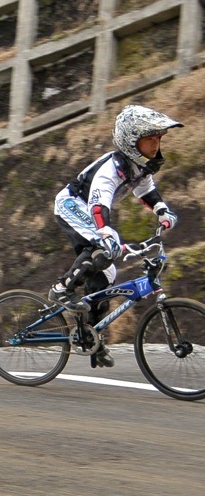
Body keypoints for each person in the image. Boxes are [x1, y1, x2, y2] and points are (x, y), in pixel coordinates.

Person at [47, 105, 182, 368]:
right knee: (101, 249)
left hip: (90, 210)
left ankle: (92, 338)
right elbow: (99, 204)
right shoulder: (113, 168)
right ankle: (61, 289)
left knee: (105, 281)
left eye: (159, 138)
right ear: (132, 142)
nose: (156, 144)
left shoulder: (140, 166)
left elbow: (146, 191)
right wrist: (107, 233)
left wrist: (162, 209)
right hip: (72, 205)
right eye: (150, 138)